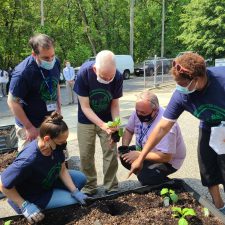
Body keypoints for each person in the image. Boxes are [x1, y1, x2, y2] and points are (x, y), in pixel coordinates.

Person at [129, 52, 225, 212]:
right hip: (208, 127)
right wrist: (141, 156)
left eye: (183, 83)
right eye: (177, 83)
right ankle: (219, 207)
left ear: (197, 78)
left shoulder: (221, 82)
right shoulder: (182, 95)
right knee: (207, 168)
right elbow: (162, 127)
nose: (179, 87)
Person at [0, 112, 87, 224]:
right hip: (32, 195)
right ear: (47, 139)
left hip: (46, 181)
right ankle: (39, 209)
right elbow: (3, 184)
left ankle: (57, 198)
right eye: (61, 141)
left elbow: (62, 169)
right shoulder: (28, 160)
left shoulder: (55, 147)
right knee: (72, 203)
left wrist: (75, 191)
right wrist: (24, 205)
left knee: (80, 179)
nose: (64, 144)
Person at [74, 50, 123, 196]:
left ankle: (111, 186)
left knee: (110, 152)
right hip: (85, 119)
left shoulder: (118, 76)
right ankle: (89, 186)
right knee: (85, 154)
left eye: (110, 76)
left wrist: (115, 123)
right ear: (95, 69)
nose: (108, 80)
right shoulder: (84, 73)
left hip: (107, 117)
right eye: (104, 76)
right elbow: (85, 107)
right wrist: (102, 125)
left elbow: (114, 105)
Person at [8, 34, 61, 152]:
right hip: (31, 124)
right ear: (34, 54)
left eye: (52, 55)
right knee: (30, 160)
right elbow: (12, 102)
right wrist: (29, 127)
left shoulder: (56, 62)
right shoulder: (23, 73)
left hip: (50, 121)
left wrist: (58, 106)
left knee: (54, 155)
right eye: (46, 58)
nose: (51, 60)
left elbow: (56, 82)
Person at [119, 90, 186, 185]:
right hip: (146, 149)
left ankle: (167, 182)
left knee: (145, 177)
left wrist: (139, 155)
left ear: (155, 110)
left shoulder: (166, 125)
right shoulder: (139, 111)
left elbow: (166, 157)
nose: (139, 114)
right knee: (124, 156)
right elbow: (129, 130)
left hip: (169, 161)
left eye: (143, 113)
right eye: (137, 111)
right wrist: (125, 148)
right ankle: (148, 173)